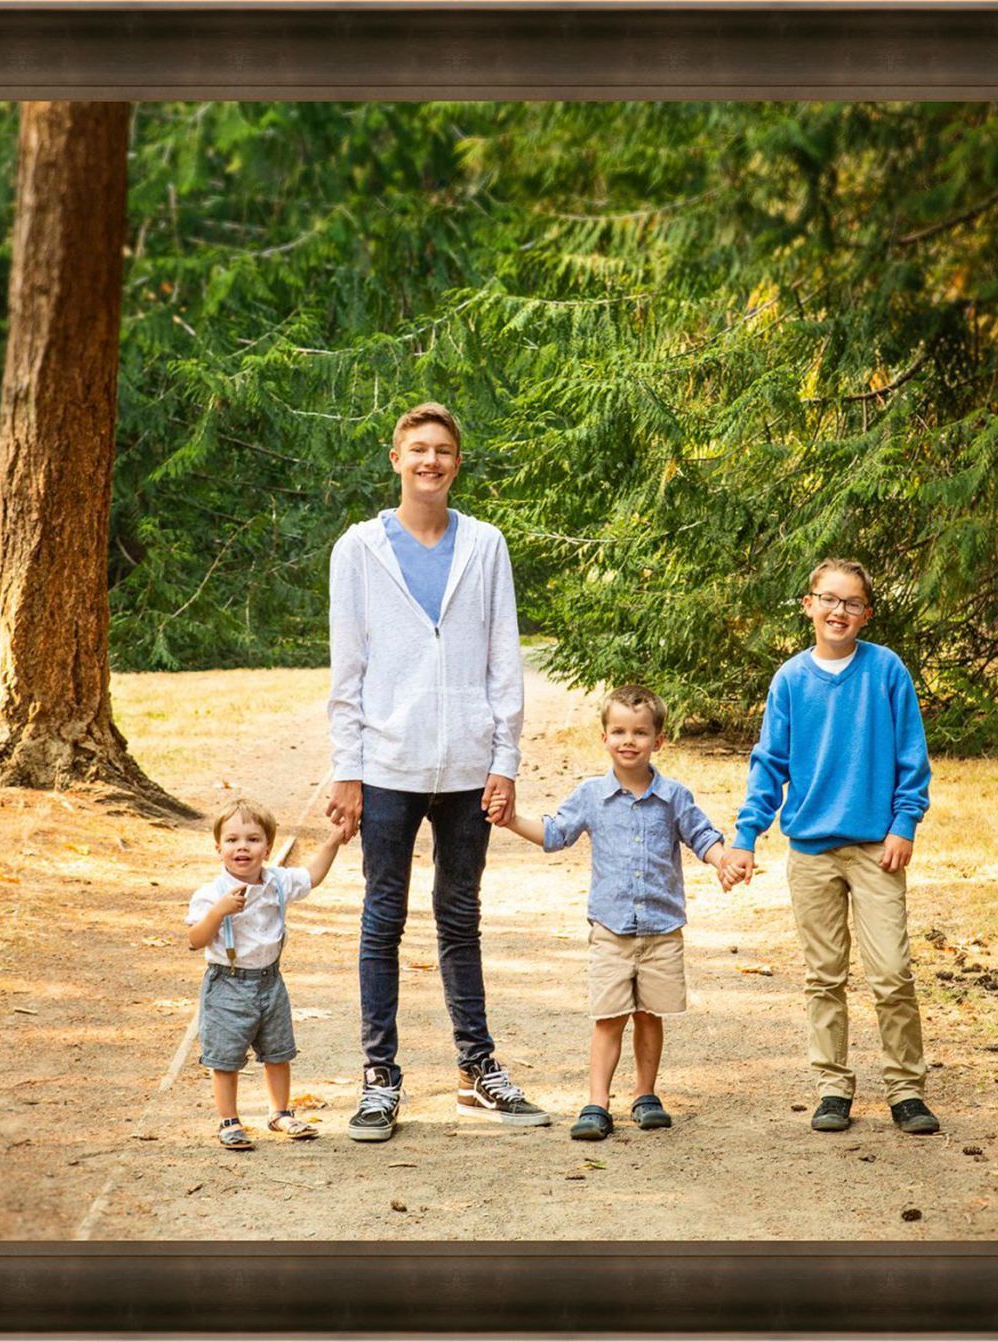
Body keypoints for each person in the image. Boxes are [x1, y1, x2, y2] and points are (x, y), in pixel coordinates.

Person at [325, 401, 548, 1142]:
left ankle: (476, 1068)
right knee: (381, 918)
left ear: (457, 463)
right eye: (417, 449)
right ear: (395, 459)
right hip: (387, 763)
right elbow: (347, 670)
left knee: (460, 917)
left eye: (443, 451)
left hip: (466, 766)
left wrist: (504, 760)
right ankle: (379, 1078)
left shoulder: (485, 545)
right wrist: (347, 770)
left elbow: (503, 658)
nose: (430, 461)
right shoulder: (358, 549)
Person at [721, 558, 940, 1135]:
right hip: (812, 852)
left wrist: (904, 823)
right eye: (829, 599)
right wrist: (745, 838)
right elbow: (769, 764)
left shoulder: (886, 671)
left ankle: (905, 1090)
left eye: (851, 603)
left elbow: (911, 759)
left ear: (866, 614)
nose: (838, 611)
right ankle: (833, 1086)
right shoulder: (791, 680)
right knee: (824, 976)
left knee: (891, 972)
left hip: (875, 848)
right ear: (808, 605)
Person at [502, 684, 728, 1140]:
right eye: (619, 731)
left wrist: (724, 860)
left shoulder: (674, 796)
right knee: (609, 1018)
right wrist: (509, 820)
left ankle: (645, 1095)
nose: (629, 741)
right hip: (611, 930)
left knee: (650, 1014)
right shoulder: (591, 795)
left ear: (658, 741)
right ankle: (596, 1103)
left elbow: (701, 836)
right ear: (604, 737)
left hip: (662, 930)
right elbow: (554, 834)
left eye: (640, 733)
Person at [185, 796, 347, 1150]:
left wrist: (333, 841)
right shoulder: (210, 893)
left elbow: (312, 876)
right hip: (227, 982)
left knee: (278, 1052)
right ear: (219, 848)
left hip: (270, 982)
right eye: (232, 840)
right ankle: (229, 1120)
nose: (242, 847)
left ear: (267, 848)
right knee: (225, 1058)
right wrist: (219, 912)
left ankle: (280, 1112)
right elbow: (195, 939)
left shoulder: (276, 882)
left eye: (252, 839)